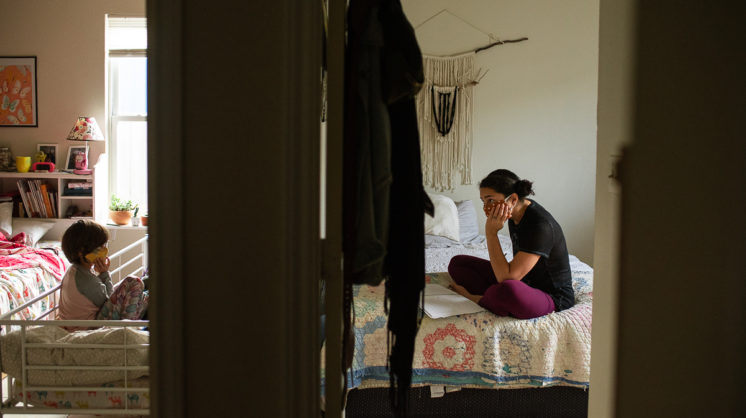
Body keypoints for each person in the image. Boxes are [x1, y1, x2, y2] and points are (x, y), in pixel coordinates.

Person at [447, 169, 574, 319]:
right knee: (457, 264)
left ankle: (478, 299)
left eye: (490, 200)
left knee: (508, 289)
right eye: (483, 202)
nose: (486, 207)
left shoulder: (540, 225)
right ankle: (496, 297)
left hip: (552, 297)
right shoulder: (515, 213)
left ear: (513, 199)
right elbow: (508, 275)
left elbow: (506, 278)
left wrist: (491, 233)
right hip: (523, 281)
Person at [58, 220, 148, 324]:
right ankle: (128, 325)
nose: (104, 249)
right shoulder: (86, 281)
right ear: (81, 252)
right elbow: (109, 301)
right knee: (134, 281)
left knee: (142, 288)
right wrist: (104, 273)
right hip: (90, 327)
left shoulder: (74, 271)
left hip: (75, 324)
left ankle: (143, 303)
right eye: (100, 246)